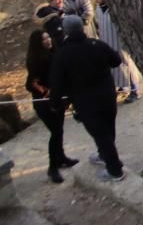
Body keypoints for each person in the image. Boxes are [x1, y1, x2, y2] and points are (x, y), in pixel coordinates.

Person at [48, 15, 125, 182]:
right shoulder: (97, 45)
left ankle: (115, 170)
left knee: (101, 135)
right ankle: (104, 155)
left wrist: (54, 103)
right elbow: (116, 60)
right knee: (107, 129)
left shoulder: (63, 54)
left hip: (86, 102)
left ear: (66, 31)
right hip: (107, 96)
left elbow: (57, 82)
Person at [25, 30, 77, 183]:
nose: (48, 40)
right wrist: (46, 92)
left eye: (48, 37)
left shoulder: (54, 53)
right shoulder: (36, 60)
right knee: (55, 133)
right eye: (43, 39)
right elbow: (31, 84)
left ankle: (61, 158)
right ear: (38, 43)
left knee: (59, 131)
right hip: (44, 103)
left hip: (57, 100)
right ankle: (52, 167)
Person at [93, 0, 141, 103]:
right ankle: (121, 89)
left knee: (126, 64)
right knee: (113, 67)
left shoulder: (115, 9)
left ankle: (135, 90)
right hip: (107, 42)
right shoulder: (99, 9)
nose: (97, 0)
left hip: (119, 42)